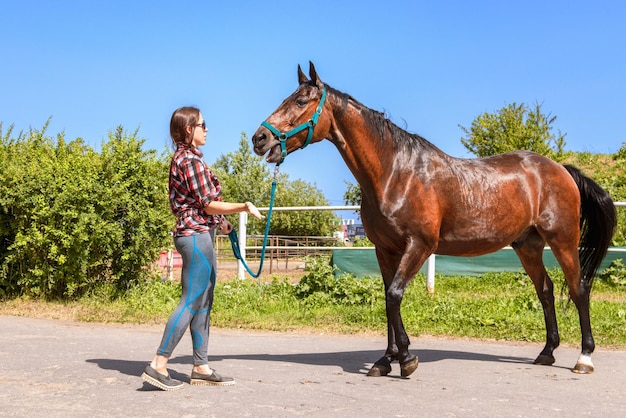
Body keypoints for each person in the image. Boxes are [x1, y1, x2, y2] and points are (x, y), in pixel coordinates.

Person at [142, 106, 264, 391]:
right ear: (189, 129)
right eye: (202, 124)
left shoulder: (191, 160)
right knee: (192, 300)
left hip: (202, 232)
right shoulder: (189, 160)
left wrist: (222, 223)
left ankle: (200, 366)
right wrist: (243, 207)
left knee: (203, 302)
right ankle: (159, 363)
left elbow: (201, 205)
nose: (207, 129)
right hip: (195, 236)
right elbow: (207, 203)